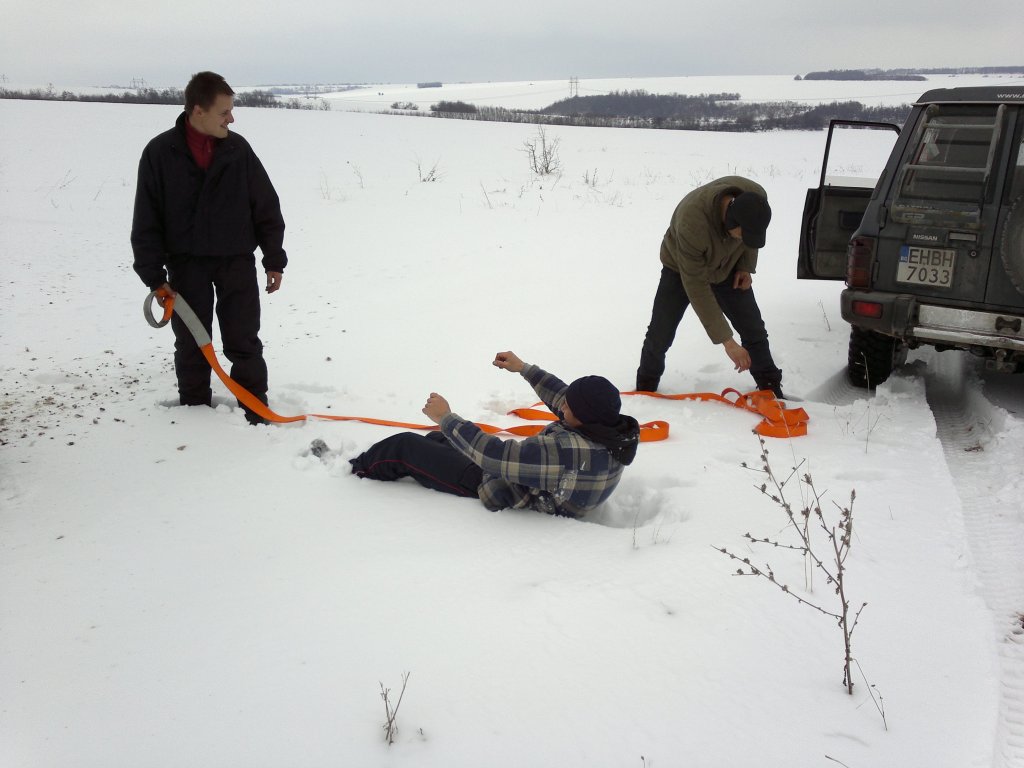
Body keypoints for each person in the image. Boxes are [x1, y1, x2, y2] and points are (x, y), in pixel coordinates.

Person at [131, 71, 287, 424]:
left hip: (236, 262)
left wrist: (274, 259)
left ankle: (254, 408)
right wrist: (154, 277)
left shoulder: (238, 149)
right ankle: (195, 412)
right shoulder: (160, 153)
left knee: (244, 340)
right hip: (186, 267)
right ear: (197, 111)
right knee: (191, 343)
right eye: (224, 112)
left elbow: (266, 206)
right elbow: (146, 221)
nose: (231, 118)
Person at [344, 352, 641, 518]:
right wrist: (524, 368)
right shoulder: (611, 429)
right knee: (438, 440)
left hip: (497, 485)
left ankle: (356, 472)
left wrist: (446, 417)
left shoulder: (567, 452)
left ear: (584, 415)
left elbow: (494, 457)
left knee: (405, 446)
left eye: (568, 407)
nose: (561, 406)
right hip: (537, 477)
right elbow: (565, 396)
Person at [635, 175, 783, 397]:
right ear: (731, 221)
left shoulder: (755, 198)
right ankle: (645, 388)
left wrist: (745, 266)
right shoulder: (691, 222)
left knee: (753, 328)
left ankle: (771, 388)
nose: (744, 240)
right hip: (681, 268)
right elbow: (697, 288)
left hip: (729, 266)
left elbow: (751, 237)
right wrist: (727, 342)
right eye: (742, 235)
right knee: (660, 332)